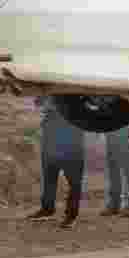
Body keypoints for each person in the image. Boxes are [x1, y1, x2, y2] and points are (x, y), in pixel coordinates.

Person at [27, 96, 87, 229]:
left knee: (74, 183)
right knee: (49, 179)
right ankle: (47, 209)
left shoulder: (79, 94)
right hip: (51, 143)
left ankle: (71, 216)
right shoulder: (52, 91)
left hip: (72, 146)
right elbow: (38, 102)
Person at [102, 125, 129, 217]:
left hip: (124, 127)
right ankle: (114, 203)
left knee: (128, 167)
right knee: (113, 166)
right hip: (112, 127)